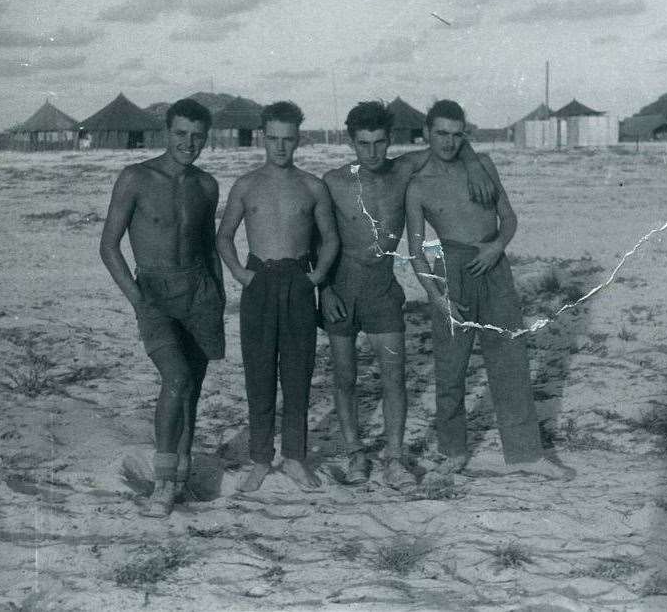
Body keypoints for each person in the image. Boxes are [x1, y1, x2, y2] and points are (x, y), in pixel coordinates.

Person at [320, 100, 497, 489]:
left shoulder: (402, 170)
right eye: (363, 144)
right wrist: (325, 288)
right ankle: (355, 454)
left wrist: (471, 163)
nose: (372, 152)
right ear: (351, 142)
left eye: (380, 143)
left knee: (393, 378)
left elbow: (448, 144)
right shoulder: (333, 182)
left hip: (382, 289)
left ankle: (396, 459)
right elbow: (317, 240)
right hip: (341, 288)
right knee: (345, 377)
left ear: (390, 140)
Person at [405, 99, 575, 479]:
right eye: (440, 134)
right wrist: (437, 297)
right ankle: (452, 451)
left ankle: (527, 454)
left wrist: (498, 245)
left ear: (464, 135)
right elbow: (415, 251)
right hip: (450, 271)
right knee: (450, 368)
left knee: (510, 359)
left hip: (493, 264)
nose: (449, 142)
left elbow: (509, 217)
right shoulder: (417, 186)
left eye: (456, 134)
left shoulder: (483, 165)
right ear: (426, 134)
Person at [99, 99, 226, 518]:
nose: (188, 143)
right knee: (176, 378)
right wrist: (137, 300)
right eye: (180, 134)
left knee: (194, 386)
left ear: (206, 138)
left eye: (197, 136)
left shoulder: (206, 185)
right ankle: (162, 480)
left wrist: (218, 299)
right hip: (153, 289)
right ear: (165, 132)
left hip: (200, 292)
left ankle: (183, 474)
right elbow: (109, 246)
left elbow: (208, 246)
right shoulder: (135, 177)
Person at [216, 101, 339, 492]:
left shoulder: (312, 186)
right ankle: (259, 458)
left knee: (299, 372)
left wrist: (316, 276)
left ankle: (296, 458)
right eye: (273, 139)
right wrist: (240, 273)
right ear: (262, 138)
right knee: (259, 373)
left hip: (297, 279)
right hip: (259, 281)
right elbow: (223, 236)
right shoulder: (246, 184)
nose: (280, 147)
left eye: (288, 139)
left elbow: (331, 238)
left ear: (298, 139)